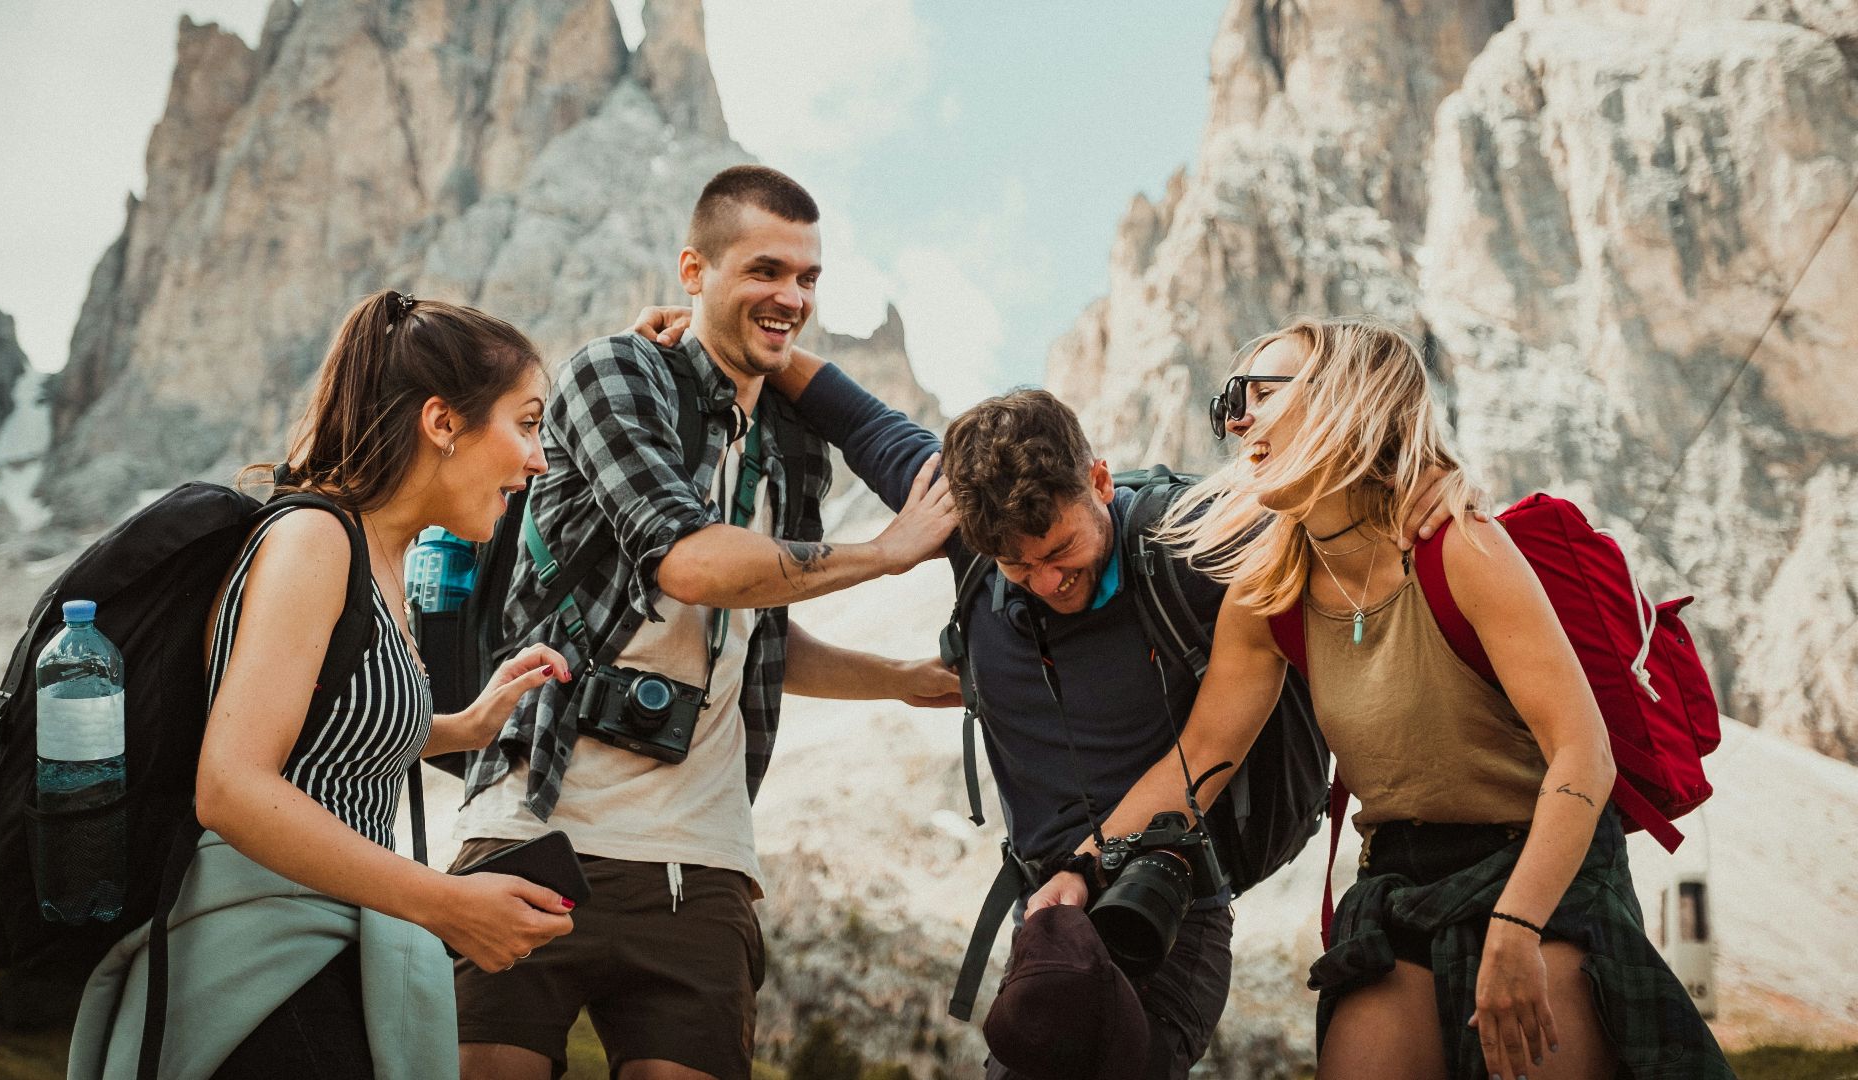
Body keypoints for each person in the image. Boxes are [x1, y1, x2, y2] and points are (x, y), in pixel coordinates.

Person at [616, 300, 1457, 1077]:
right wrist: (720, 330)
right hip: (1048, 911)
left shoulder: (1192, 539)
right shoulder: (970, 533)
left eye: (1062, 553)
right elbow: (855, 416)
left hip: (1164, 903)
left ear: (1097, 480)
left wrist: (1429, 484)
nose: (1046, 581)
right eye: (1017, 567)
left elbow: (1333, 499)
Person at [1029, 316, 1733, 1079]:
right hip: (1398, 880)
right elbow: (1199, 758)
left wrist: (1520, 923)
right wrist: (1084, 865)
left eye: (1261, 393)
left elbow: (1583, 756)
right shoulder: (1269, 595)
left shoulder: (1459, 547)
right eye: (1232, 400)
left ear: (1346, 397)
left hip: (1539, 867)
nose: (1236, 419)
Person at [449, 165, 960, 1080]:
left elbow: (756, 628)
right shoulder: (615, 375)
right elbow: (687, 560)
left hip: (703, 863)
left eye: (808, 278)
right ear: (694, 269)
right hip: (535, 827)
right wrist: (886, 553)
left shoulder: (798, 446)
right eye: (765, 270)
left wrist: (898, 679)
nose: (791, 296)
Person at [69, 290, 583, 1078]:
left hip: (325, 952)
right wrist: (446, 904)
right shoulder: (315, 538)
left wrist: (465, 724)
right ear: (442, 423)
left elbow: (323, 729)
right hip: (261, 971)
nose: (538, 458)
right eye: (525, 422)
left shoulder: (381, 559)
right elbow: (232, 787)